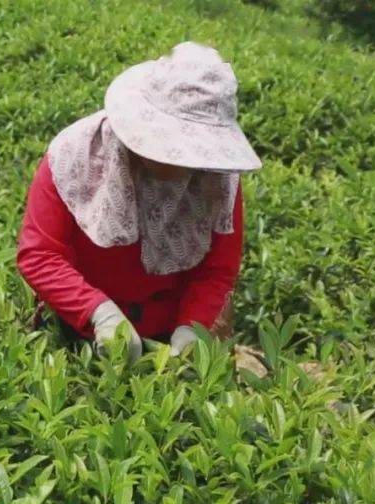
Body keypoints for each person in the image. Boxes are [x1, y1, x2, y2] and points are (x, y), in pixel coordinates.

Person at [16, 42, 262, 362]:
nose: (183, 162)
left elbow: (217, 270)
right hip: (81, 327)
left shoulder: (219, 180)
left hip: (168, 334)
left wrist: (192, 329)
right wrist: (98, 313)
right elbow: (40, 254)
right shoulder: (74, 156)